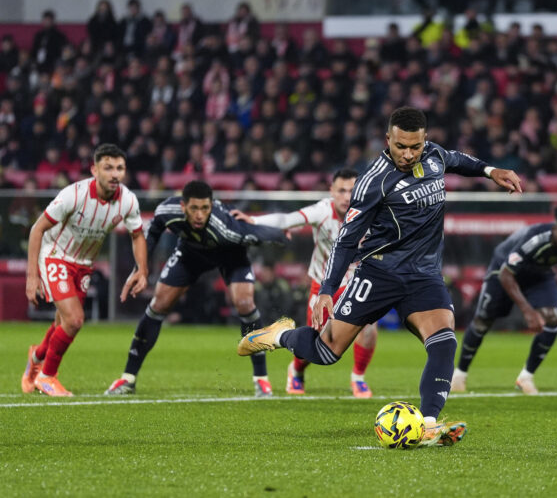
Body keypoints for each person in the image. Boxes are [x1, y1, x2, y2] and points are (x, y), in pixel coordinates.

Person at [237, 106, 522, 446]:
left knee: (444, 341)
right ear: (388, 139)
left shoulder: (433, 156)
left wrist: (491, 171)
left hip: (423, 276)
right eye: (400, 146)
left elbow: (458, 160)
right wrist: (328, 289)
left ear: (424, 140)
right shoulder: (374, 181)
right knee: (327, 352)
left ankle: (428, 423)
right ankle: (281, 335)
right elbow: (345, 241)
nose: (408, 154)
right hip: (379, 272)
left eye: (415, 146)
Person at [104, 181, 286, 397]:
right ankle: (127, 379)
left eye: (205, 209)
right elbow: (152, 233)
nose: (200, 215)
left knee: (245, 303)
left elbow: (259, 234)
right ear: (183, 207)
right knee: (158, 303)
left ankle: (261, 380)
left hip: (230, 254)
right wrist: (141, 269)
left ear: (211, 206)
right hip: (191, 253)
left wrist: (281, 234)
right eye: (194, 209)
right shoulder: (167, 210)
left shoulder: (226, 228)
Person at [233, 169, 379, 398]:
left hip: (357, 284)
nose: (346, 197)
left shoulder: (372, 212)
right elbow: (286, 220)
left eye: (352, 191)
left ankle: (358, 378)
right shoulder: (323, 210)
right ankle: (297, 370)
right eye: (341, 191)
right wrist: (254, 220)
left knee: (369, 328)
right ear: (331, 192)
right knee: (316, 344)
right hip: (324, 286)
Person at [22, 144, 148, 397]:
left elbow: (137, 235)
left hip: (83, 264)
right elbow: (37, 229)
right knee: (75, 320)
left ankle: (35, 358)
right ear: (94, 170)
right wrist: (32, 277)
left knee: (63, 323)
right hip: (56, 255)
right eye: (108, 167)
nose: (115, 174)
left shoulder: (128, 200)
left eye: (119, 168)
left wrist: (142, 270)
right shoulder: (74, 195)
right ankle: (47, 377)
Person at [451, 204, 557, 395]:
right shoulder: (534, 239)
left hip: (539, 273)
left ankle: (526, 377)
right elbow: (506, 275)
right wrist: (528, 311)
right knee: (483, 321)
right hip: (503, 269)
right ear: (555, 227)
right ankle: (459, 375)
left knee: (553, 319)